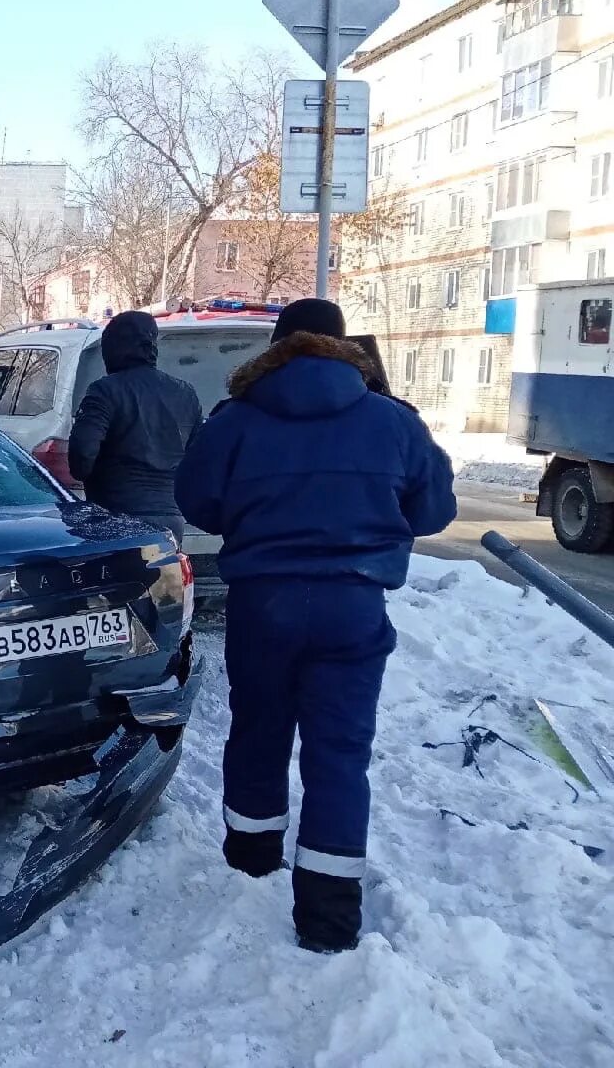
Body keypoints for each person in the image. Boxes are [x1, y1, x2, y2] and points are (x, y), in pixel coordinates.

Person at [174, 298, 457, 955]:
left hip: (262, 605)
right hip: (353, 609)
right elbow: (434, 508)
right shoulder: (393, 422)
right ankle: (328, 920)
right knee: (340, 755)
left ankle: (251, 857)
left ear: (277, 347)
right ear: (345, 347)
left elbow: (198, 501)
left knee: (258, 730)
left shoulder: (236, 419)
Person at [67, 310, 203, 543]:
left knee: (117, 580)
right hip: (171, 518)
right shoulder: (185, 393)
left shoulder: (105, 391)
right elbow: (198, 459)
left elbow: (81, 456)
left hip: (115, 513)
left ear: (114, 347)